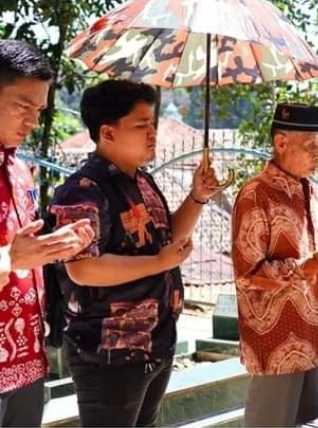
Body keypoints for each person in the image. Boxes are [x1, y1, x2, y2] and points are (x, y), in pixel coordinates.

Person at [48, 79, 219, 427]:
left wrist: (198, 197)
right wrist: (159, 262)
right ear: (107, 133)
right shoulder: (83, 191)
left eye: (152, 123)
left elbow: (166, 236)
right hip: (110, 349)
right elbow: (83, 268)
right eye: (141, 125)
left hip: (154, 339)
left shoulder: (141, 181)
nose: (152, 133)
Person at [232, 102, 318, 427]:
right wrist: (310, 265)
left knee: (311, 423)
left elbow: (312, 258)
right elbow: (247, 275)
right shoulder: (254, 194)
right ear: (281, 143)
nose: (317, 156)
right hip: (274, 339)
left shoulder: (308, 190)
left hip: (311, 333)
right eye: (310, 148)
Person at [0, 39, 94, 427]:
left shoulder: (19, 168)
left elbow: (25, 251)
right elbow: (13, 256)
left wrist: (55, 247)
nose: (33, 121)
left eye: (38, 110)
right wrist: (9, 259)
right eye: (23, 106)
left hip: (26, 359)